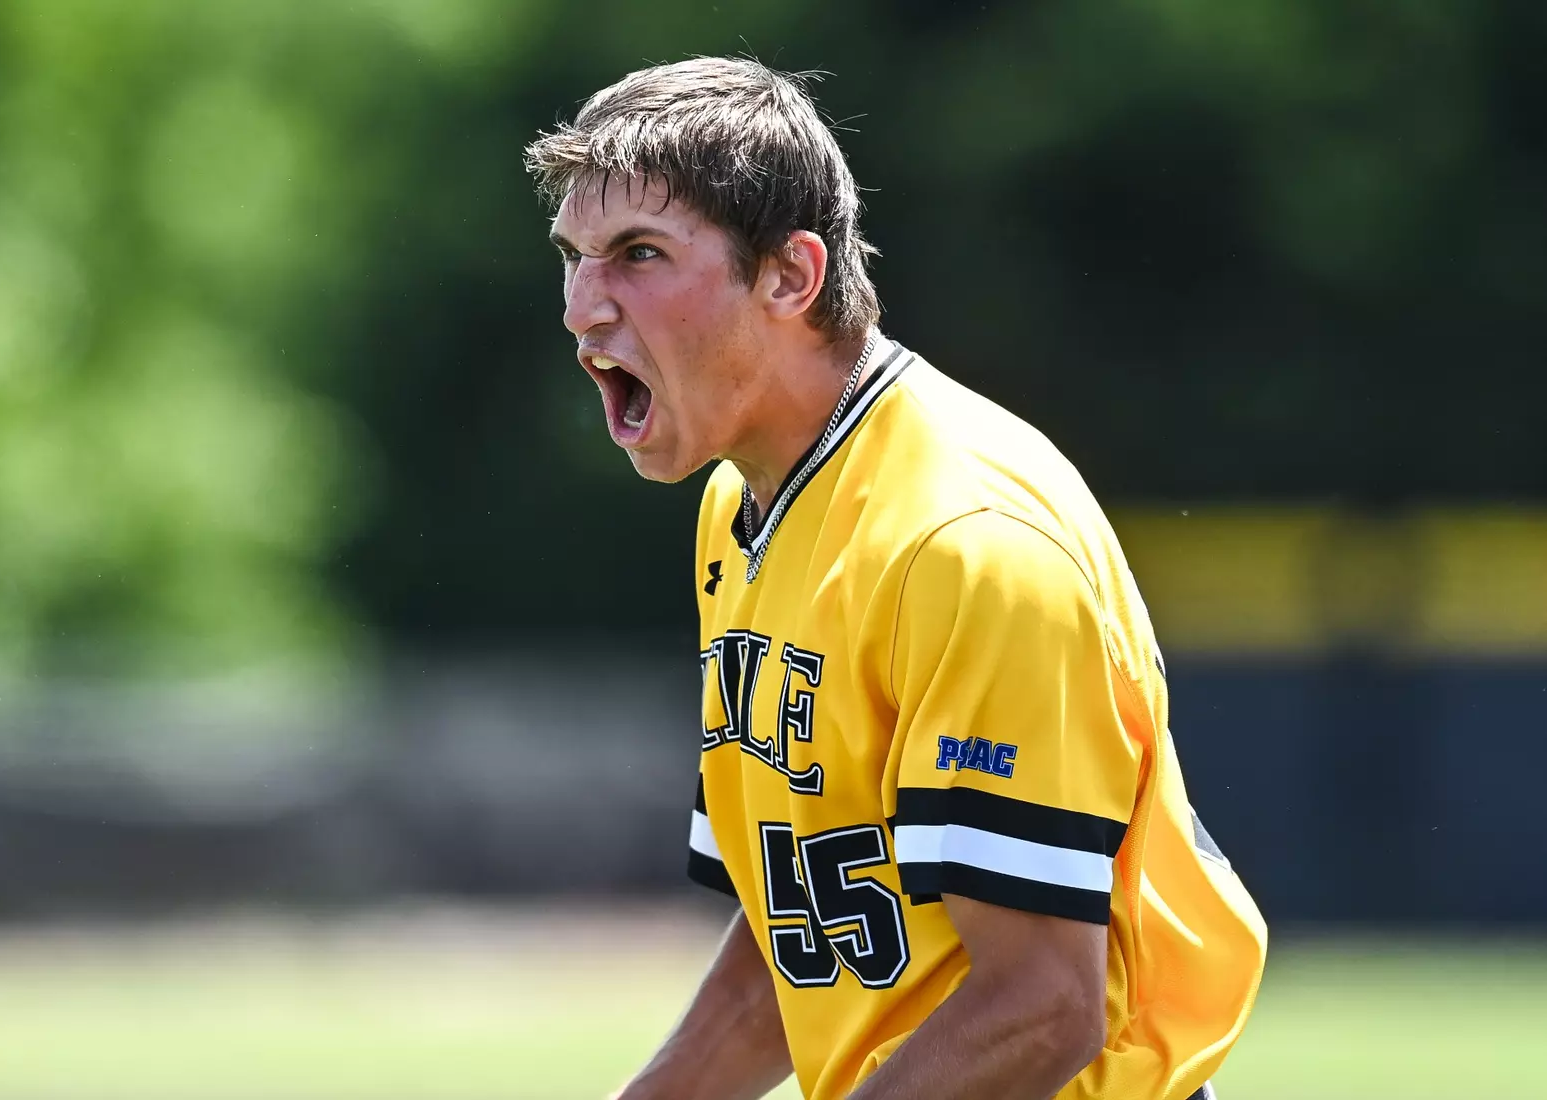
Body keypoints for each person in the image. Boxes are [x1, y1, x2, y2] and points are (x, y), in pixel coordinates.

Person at [525, 57, 1266, 1100]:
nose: (580, 306)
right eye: (575, 256)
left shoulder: (964, 543)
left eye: (638, 254)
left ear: (790, 275)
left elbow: (1043, 1003)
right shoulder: (739, 508)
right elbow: (805, 930)